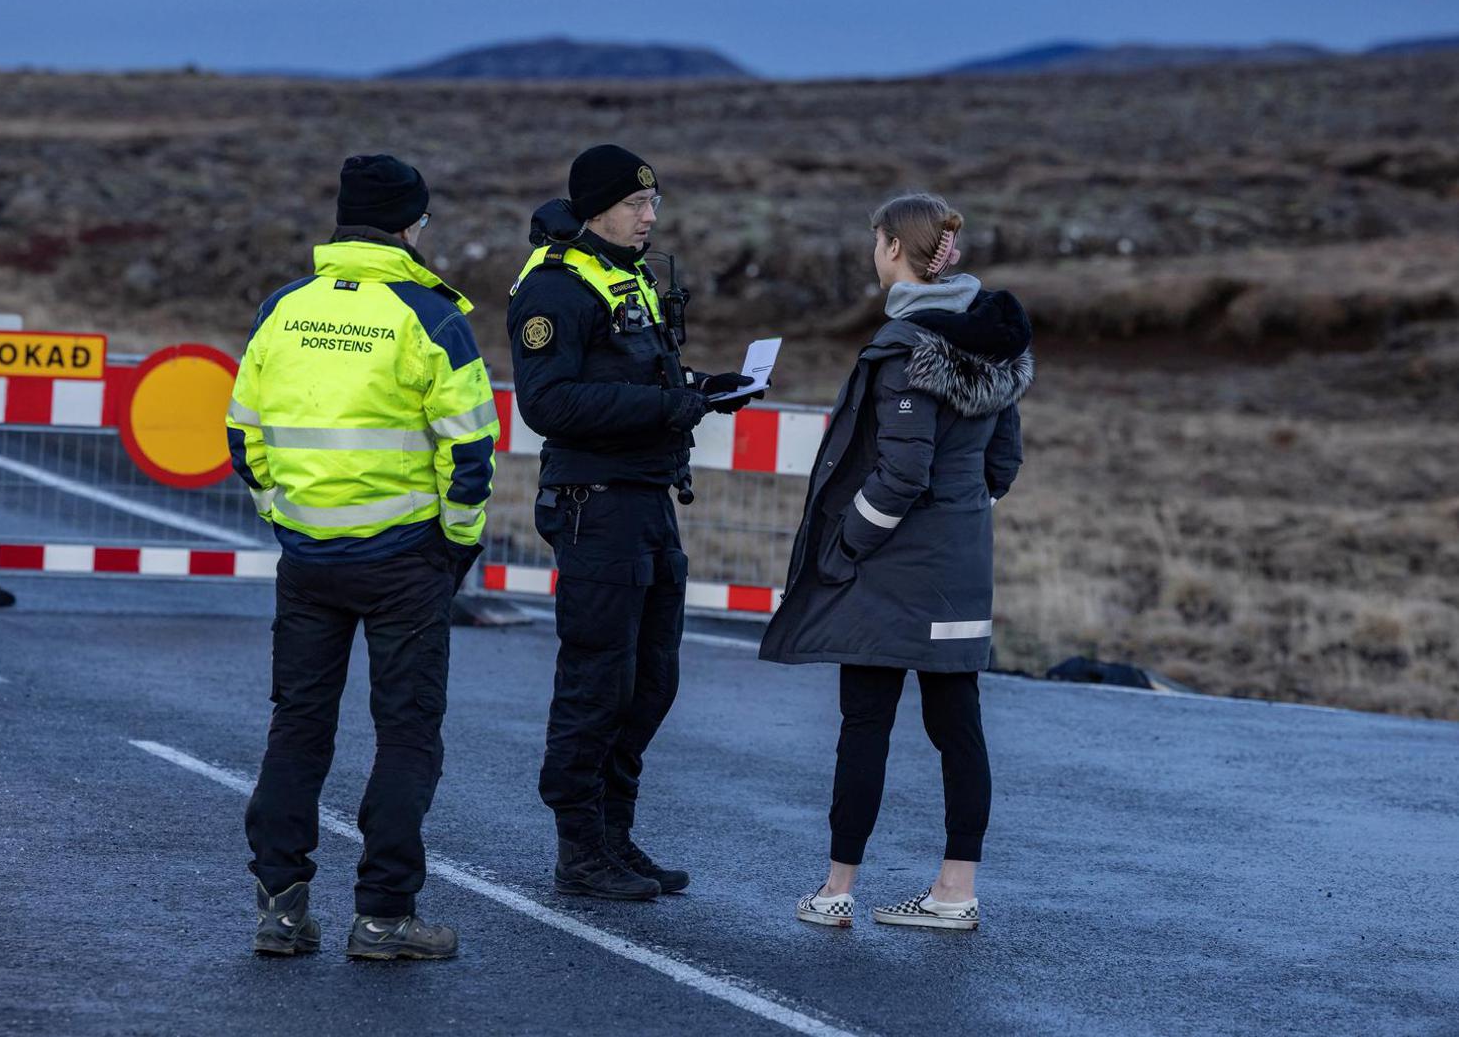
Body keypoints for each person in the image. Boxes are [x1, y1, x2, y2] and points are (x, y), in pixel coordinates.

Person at [225, 153, 499, 959]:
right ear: (412, 226)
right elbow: (472, 447)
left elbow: (244, 432)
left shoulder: (285, 308)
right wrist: (455, 542)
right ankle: (383, 916)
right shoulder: (431, 315)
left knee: (298, 728)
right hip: (405, 562)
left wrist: (285, 515)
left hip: (308, 559)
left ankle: (281, 907)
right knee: (406, 735)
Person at [758, 192, 1032, 932]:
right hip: (960, 570)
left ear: (891, 250)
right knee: (958, 726)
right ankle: (954, 892)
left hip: (889, 578)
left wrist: (850, 540)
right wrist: (960, 524)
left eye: (876, 239)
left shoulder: (907, 348)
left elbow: (900, 476)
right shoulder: (991, 339)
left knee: (865, 724)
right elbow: (1001, 463)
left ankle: (836, 889)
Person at [507, 144, 758, 900]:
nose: (651, 216)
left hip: (646, 499)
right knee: (598, 680)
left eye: (653, 203)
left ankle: (615, 836)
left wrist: (703, 388)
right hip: (595, 505)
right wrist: (663, 407)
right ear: (596, 210)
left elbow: (633, 376)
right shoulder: (555, 288)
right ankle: (579, 849)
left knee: (651, 681)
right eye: (636, 204)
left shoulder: (628, 276)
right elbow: (547, 405)